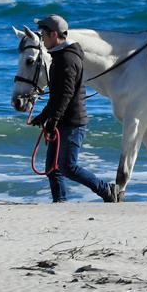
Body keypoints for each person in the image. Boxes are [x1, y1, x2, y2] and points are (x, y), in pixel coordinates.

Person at [27, 15, 115, 203]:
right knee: (52, 168)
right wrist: (44, 116)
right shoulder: (60, 55)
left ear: (54, 34)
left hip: (72, 122)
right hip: (63, 120)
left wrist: (53, 119)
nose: (42, 39)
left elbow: (66, 94)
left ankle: (106, 189)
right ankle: (60, 202)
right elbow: (57, 95)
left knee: (68, 167)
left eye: (43, 35)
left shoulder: (67, 58)